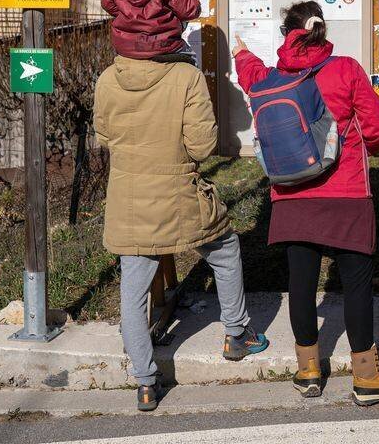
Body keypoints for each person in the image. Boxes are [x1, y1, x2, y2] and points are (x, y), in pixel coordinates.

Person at [233, 1, 379, 406]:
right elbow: (378, 131)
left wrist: (241, 53)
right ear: (321, 30)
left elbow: (251, 77)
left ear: (286, 33)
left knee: (301, 283)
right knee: (356, 285)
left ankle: (309, 370)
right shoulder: (345, 69)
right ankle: (367, 378)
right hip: (346, 192)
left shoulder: (273, 77)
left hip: (292, 194)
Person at [94, 54, 268, 412]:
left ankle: (144, 381)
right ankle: (236, 334)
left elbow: (104, 137)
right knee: (225, 250)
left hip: (129, 197)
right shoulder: (186, 76)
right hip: (178, 193)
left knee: (133, 288)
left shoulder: (108, 77)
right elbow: (202, 147)